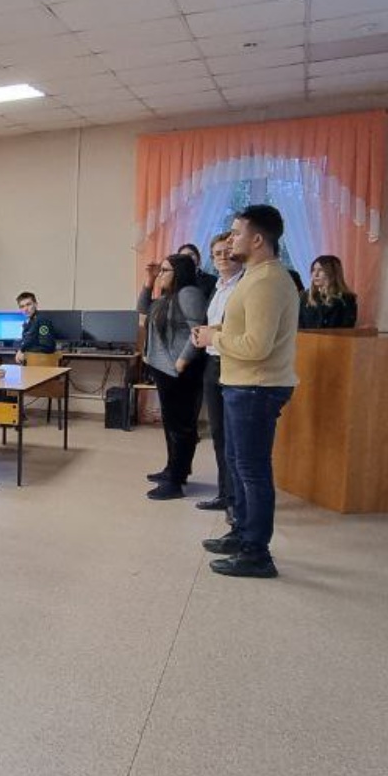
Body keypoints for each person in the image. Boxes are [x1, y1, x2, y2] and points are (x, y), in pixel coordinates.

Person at [191, 204, 299, 579]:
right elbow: (247, 331)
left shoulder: (267, 280)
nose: (231, 239)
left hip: (257, 386)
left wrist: (214, 338)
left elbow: (257, 346)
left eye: (237, 233)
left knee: (253, 471)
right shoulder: (255, 277)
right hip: (244, 384)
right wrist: (216, 331)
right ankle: (241, 533)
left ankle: (257, 552)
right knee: (239, 464)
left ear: (257, 239)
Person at [143, 253, 209, 500]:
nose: (161, 274)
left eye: (165, 270)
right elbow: (142, 309)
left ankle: (177, 481)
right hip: (164, 369)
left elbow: (197, 331)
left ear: (179, 273)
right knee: (171, 423)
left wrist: (182, 361)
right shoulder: (166, 297)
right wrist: (149, 281)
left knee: (181, 426)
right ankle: (172, 469)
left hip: (180, 370)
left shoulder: (189, 294)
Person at [197, 231, 243, 514]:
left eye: (227, 251)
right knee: (218, 433)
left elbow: (240, 327)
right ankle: (225, 493)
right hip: (213, 362)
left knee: (234, 436)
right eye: (217, 254)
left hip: (235, 363)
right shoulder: (217, 287)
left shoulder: (245, 286)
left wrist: (212, 333)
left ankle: (237, 500)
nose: (223, 257)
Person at [300, 255, 358, 329]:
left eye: (321, 270)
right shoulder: (304, 297)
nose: (316, 274)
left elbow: (347, 327)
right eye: (313, 270)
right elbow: (299, 325)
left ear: (332, 273)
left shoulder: (347, 298)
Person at [13, 292, 57, 363]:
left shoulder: (42, 320)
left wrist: (25, 352)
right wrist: (20, 349)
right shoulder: (29, 322)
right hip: (31, 362)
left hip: (41, 363)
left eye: (28, 304)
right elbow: (27, 341)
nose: (25, 309)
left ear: (35, 304)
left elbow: (47, 346)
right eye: (22, 306)